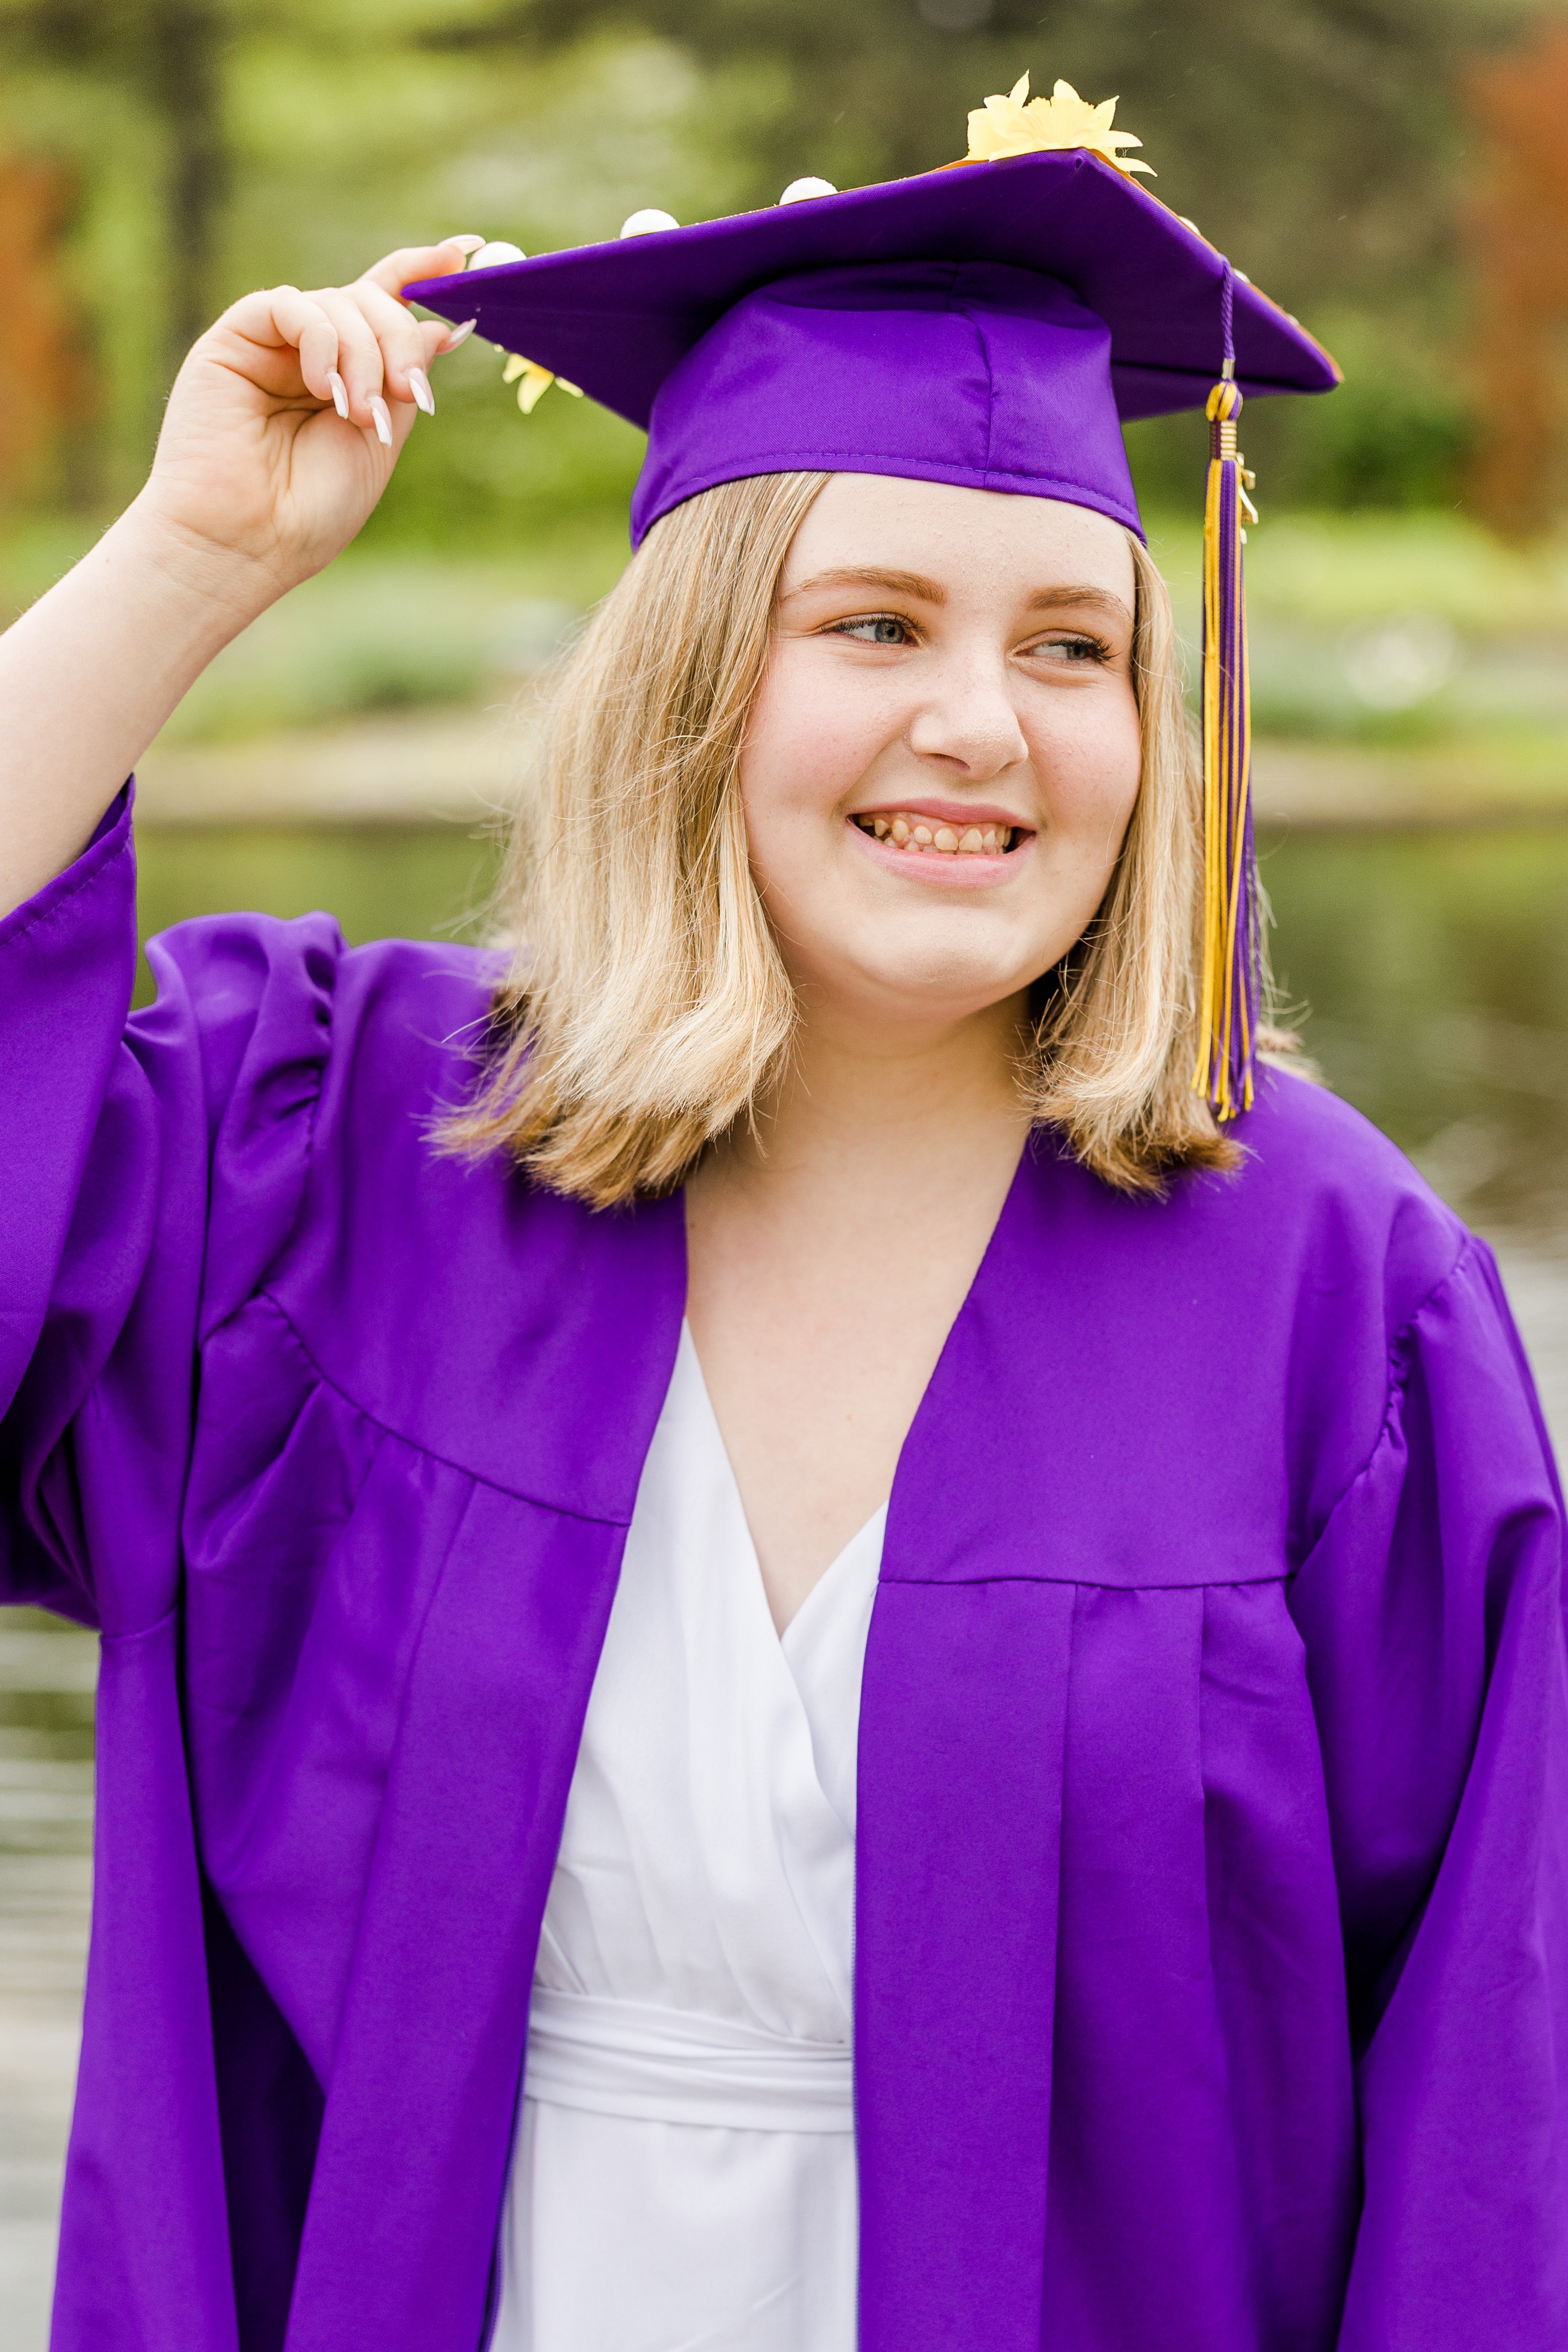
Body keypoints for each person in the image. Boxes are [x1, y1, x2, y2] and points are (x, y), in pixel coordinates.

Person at [3, 71, 1566, 2352]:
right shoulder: (347, 1156)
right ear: (691, 682)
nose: (982, 723)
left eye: (1067, 645)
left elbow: (1484, 2098)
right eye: (871, 626)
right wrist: (191, 562)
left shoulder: (1331, 1291)